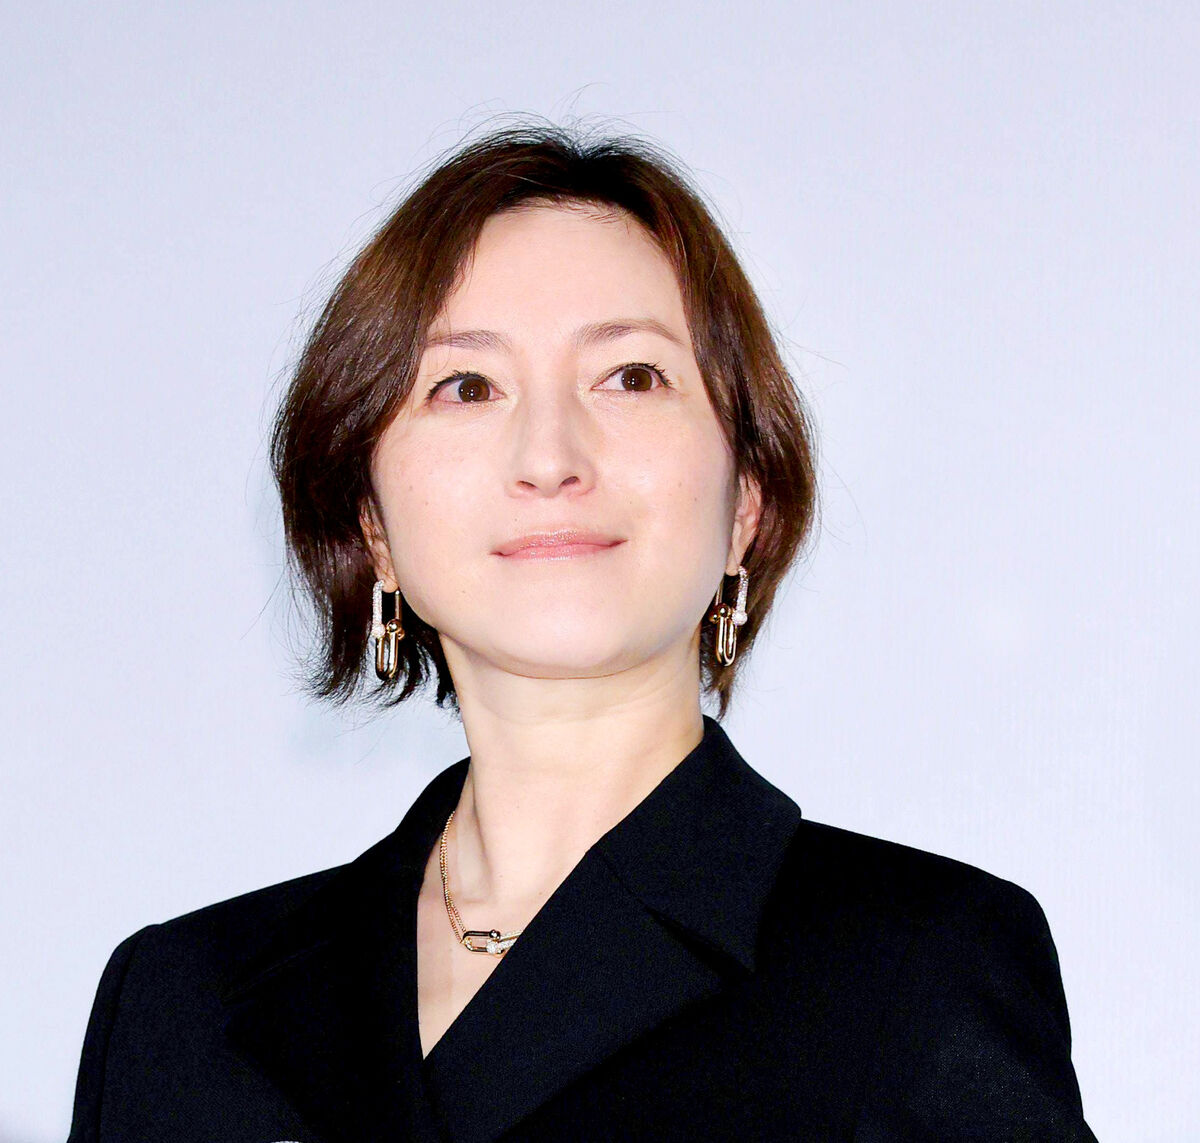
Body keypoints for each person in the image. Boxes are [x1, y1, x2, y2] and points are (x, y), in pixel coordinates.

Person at [67, 120, 1098, 1142]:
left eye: (631, 377)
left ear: (746, 498)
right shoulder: (182, 1003)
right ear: (371, 523)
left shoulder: (918, 966)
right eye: (467, 387)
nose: (550, 456)